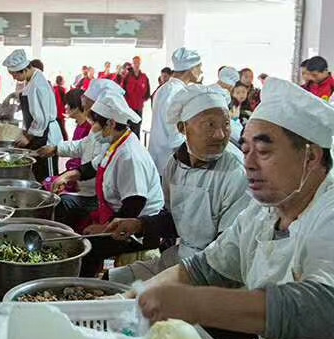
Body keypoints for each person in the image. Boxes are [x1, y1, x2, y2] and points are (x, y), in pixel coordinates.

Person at [119, 77, 334, 339]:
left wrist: (195, 305)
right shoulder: (263, 214)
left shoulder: (328, 214)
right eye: (245, 148)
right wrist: (133, 298)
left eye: (263, 150)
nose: (247, 164)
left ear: (311, 157)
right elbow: (200, 269)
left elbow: (320, 306)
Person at [105, 85, 249, 283]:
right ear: (183, 128)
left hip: (214, 274)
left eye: (225, 124)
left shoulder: (237, 172)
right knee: (111, 280)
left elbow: (228, 254)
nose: (220, 135)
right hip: (181, 257)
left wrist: (171, 283)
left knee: (139, 297)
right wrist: (140, 225)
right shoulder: (175, 165)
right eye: (210, 125)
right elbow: (176, 218)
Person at [58, 92, 163, 277]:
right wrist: (66, 177)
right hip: (116, 216)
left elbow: (135, 203)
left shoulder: (129, 155)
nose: (94, 129)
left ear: (111, 123)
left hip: (138, 230)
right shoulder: (115, 144)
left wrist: (104, 228)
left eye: (97, 123)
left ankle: (88, 288)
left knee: (89, 248)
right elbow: (92, 167)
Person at [37, 89, 97, 227]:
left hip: (83, 185)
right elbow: (79, 147)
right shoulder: (84, 128)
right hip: (76, 177)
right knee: (45, 185)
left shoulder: (92, 129)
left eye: (68, 104)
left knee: (55, 195)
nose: (65, 107)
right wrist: (55, 150)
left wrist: (68, 178)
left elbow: (89, 166)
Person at [3, 49, 63, 181]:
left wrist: (28, 137)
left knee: (48, 177)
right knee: (39, 172)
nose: (14, 78)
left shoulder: (38, 84)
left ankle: (52, 199)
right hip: (39, 134)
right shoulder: (32, 79)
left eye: (14, 74)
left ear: (23, 70)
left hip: (46, 136)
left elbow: (41, 119)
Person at [149, 47, 203, 175]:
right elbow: (174, 131)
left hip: (160, 156)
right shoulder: (177, 92)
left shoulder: (165, 88)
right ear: (191, 69)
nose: (201, 71)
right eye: (199, 67)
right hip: (168, 159)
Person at [122, 56, 151, 137]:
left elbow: (147, 92)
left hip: (139, 107)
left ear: (140, 63)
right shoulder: (127, 77)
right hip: (129, 107)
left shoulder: (144, 77)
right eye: (134, 62)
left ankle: (136, 146)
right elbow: (122, 90)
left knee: (137, 128)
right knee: (129, 129)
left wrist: (142, 100)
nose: (136, 64)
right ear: (132, 64)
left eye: (138, 62)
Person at [53, 75, 68, 141]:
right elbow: (65, 101)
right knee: (62, 128)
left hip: (54, 111)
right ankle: (65, 141)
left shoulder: (53, 88)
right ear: (61, 81)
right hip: (60, 111)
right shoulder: (62, 89)